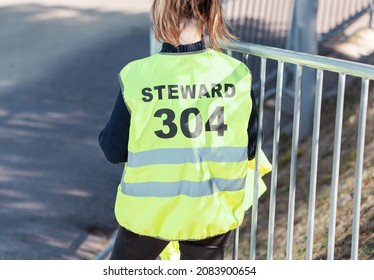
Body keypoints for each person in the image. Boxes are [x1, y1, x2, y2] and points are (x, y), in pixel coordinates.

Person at [98, 0, 270, 260]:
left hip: (149, 212)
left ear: (160, 14)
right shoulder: (236, 74)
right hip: (212, 210)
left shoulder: (137, 75)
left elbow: (113, 151)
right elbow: (248, 148)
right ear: (212, 15)